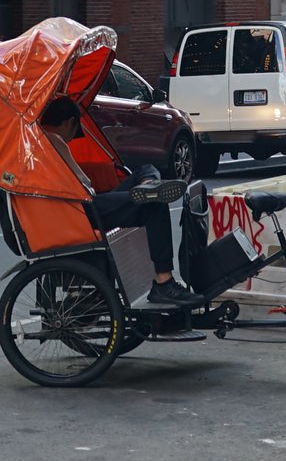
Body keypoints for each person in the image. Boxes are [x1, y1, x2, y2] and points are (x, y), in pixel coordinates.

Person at [41, 95, 193, 306]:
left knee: (145, 172)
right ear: (69, 123)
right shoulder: (53, 142)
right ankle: (163, 281)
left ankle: (148, 185)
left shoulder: (41, 142)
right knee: (154, 204)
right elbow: (79, 183)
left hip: (79, 204)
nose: (72, 138)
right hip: (80, 208)